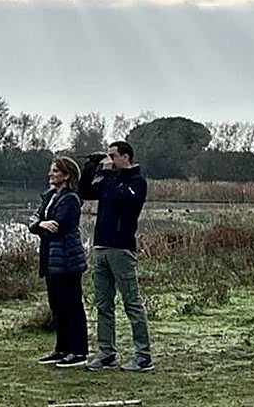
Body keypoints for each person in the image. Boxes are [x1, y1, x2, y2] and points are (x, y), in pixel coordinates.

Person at [78, 140, 153, 372]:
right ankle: (106, 352)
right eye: (107, 156)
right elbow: (85, 191)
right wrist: (91, 167)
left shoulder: (136, 182)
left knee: (131, 302)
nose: (109, 160)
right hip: (100, 247)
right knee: (103, 304)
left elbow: (121, 198)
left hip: (121, 248)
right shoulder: (110, 180)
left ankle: (143, 355)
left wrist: (108, 174)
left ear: (126, 157)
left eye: (113, 156)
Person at [28, 156, 88, 368]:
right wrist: (41, 225)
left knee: (72, 305)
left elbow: (58, 228)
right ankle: (61, 348)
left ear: (66, 175)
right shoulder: (49, 197)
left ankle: (78, 351)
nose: (50, 174)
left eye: (55, 171)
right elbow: (34, 221)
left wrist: (41, 226)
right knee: (57, 306)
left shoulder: (71, 199)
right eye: (51, 170)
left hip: (68, 260)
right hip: (50, 259)